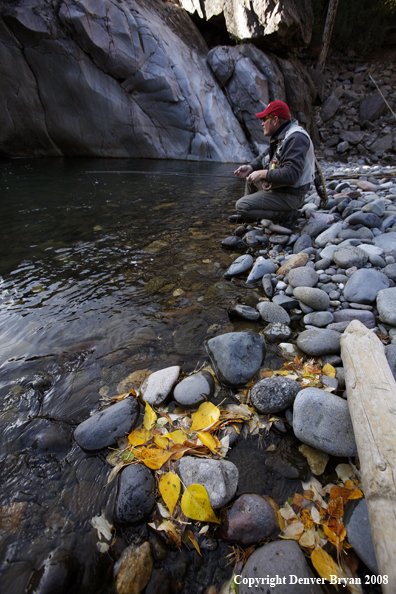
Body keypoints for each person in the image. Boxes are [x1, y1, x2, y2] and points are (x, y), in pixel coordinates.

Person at [232, 100, 315, 225]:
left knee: (241, 205)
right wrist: (250, 167)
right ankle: (249, 217)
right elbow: (265, 156)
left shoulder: (296, 138)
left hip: (292, 195)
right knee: (250, 179)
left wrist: (262, 174)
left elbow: (292, 175)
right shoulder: (282, 136)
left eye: (264, 119)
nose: (262, 124)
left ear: (275, 120)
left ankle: (286, 215)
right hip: (283, 188)